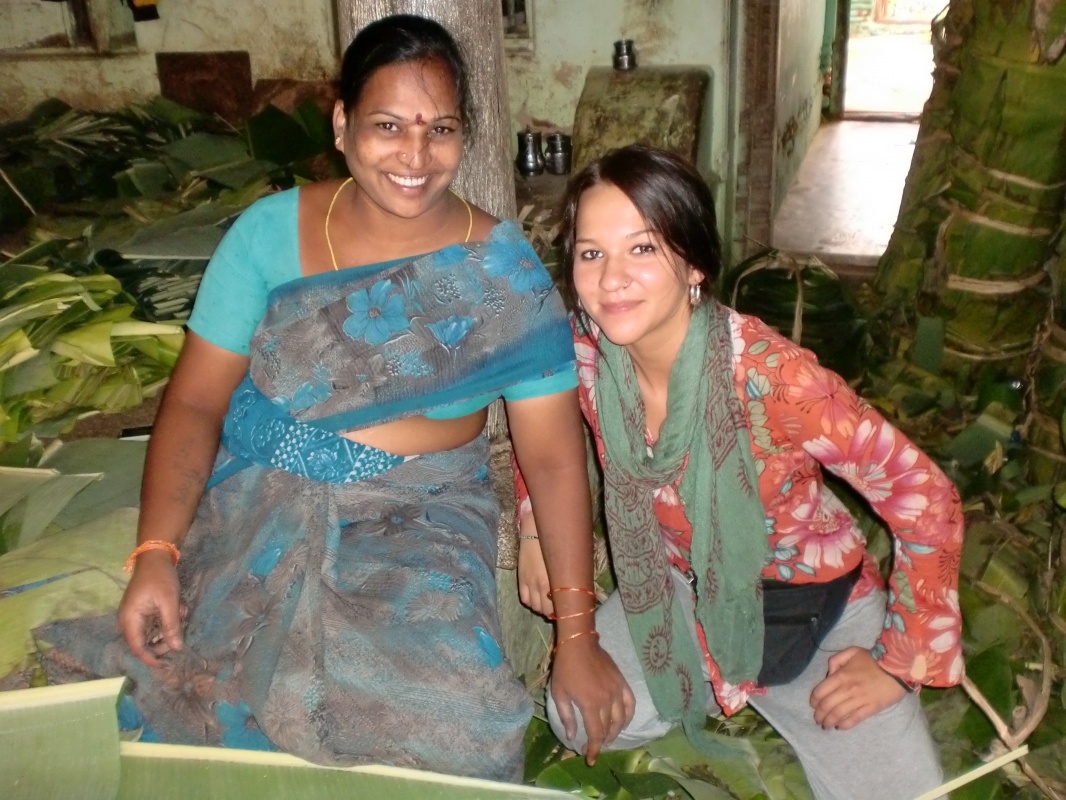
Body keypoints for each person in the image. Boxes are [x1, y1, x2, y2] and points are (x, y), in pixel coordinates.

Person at [38, 14, 629, 782]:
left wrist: (577, 638)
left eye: (440, 129)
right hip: (261, 494)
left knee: (466, 730)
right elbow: (194, 404)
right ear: (344, 124)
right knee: (195, 684)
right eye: (388, 126)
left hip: (421, 514)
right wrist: (156, 554)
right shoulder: (267, 235)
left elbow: (552, 460)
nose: (415, 155)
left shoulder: (501, 276)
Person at [514, 145, 963, 800]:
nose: (612, 279)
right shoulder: (584, 352)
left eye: (642, 248)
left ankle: (757, 676)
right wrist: (532, 526)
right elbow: (542, 441)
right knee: (577, 716)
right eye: (591, 253)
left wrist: (898, 664)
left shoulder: (775, 380)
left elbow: (926, 495)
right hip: (674, 584)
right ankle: (718, 671)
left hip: (809, 607)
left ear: (694, 262)